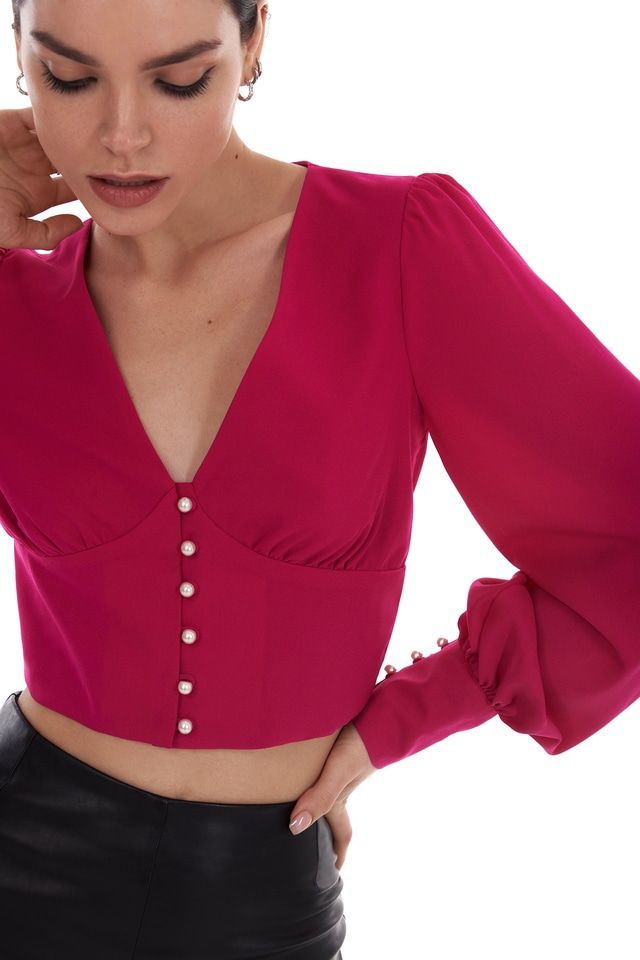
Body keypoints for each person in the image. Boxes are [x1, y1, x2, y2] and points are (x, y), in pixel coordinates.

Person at [0, 0, 639, 958]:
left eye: (180, 79)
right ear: (19, 53)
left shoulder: (397, 246)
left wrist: (404, 720)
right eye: (71, 77)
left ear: (254, 38)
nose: (122, 135)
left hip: (263, 897)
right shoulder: (12, 284)